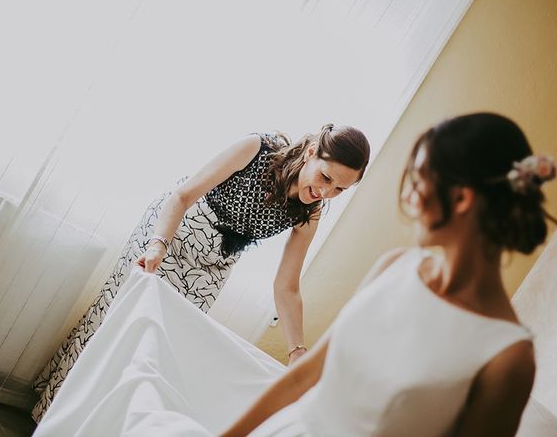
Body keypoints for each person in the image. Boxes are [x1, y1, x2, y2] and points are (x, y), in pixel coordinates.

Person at [219, 112, 557, 436]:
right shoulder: (393, 267)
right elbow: (301, 379)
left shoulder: (508, 358)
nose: (407, 197)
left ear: (461, 198)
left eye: (418, 180)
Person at [31, 124, 371, 423]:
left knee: (159, 344)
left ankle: (102, 423)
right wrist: (157, 246)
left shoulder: (309, 213)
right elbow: (182, 196)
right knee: (116, 318)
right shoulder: (258, 148)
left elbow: (287, 286)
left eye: (340, 190)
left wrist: (297, 351)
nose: (326, 192)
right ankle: (54, 413)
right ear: (312, 152)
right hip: (172, 231)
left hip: (213, 265)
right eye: (326, 178)